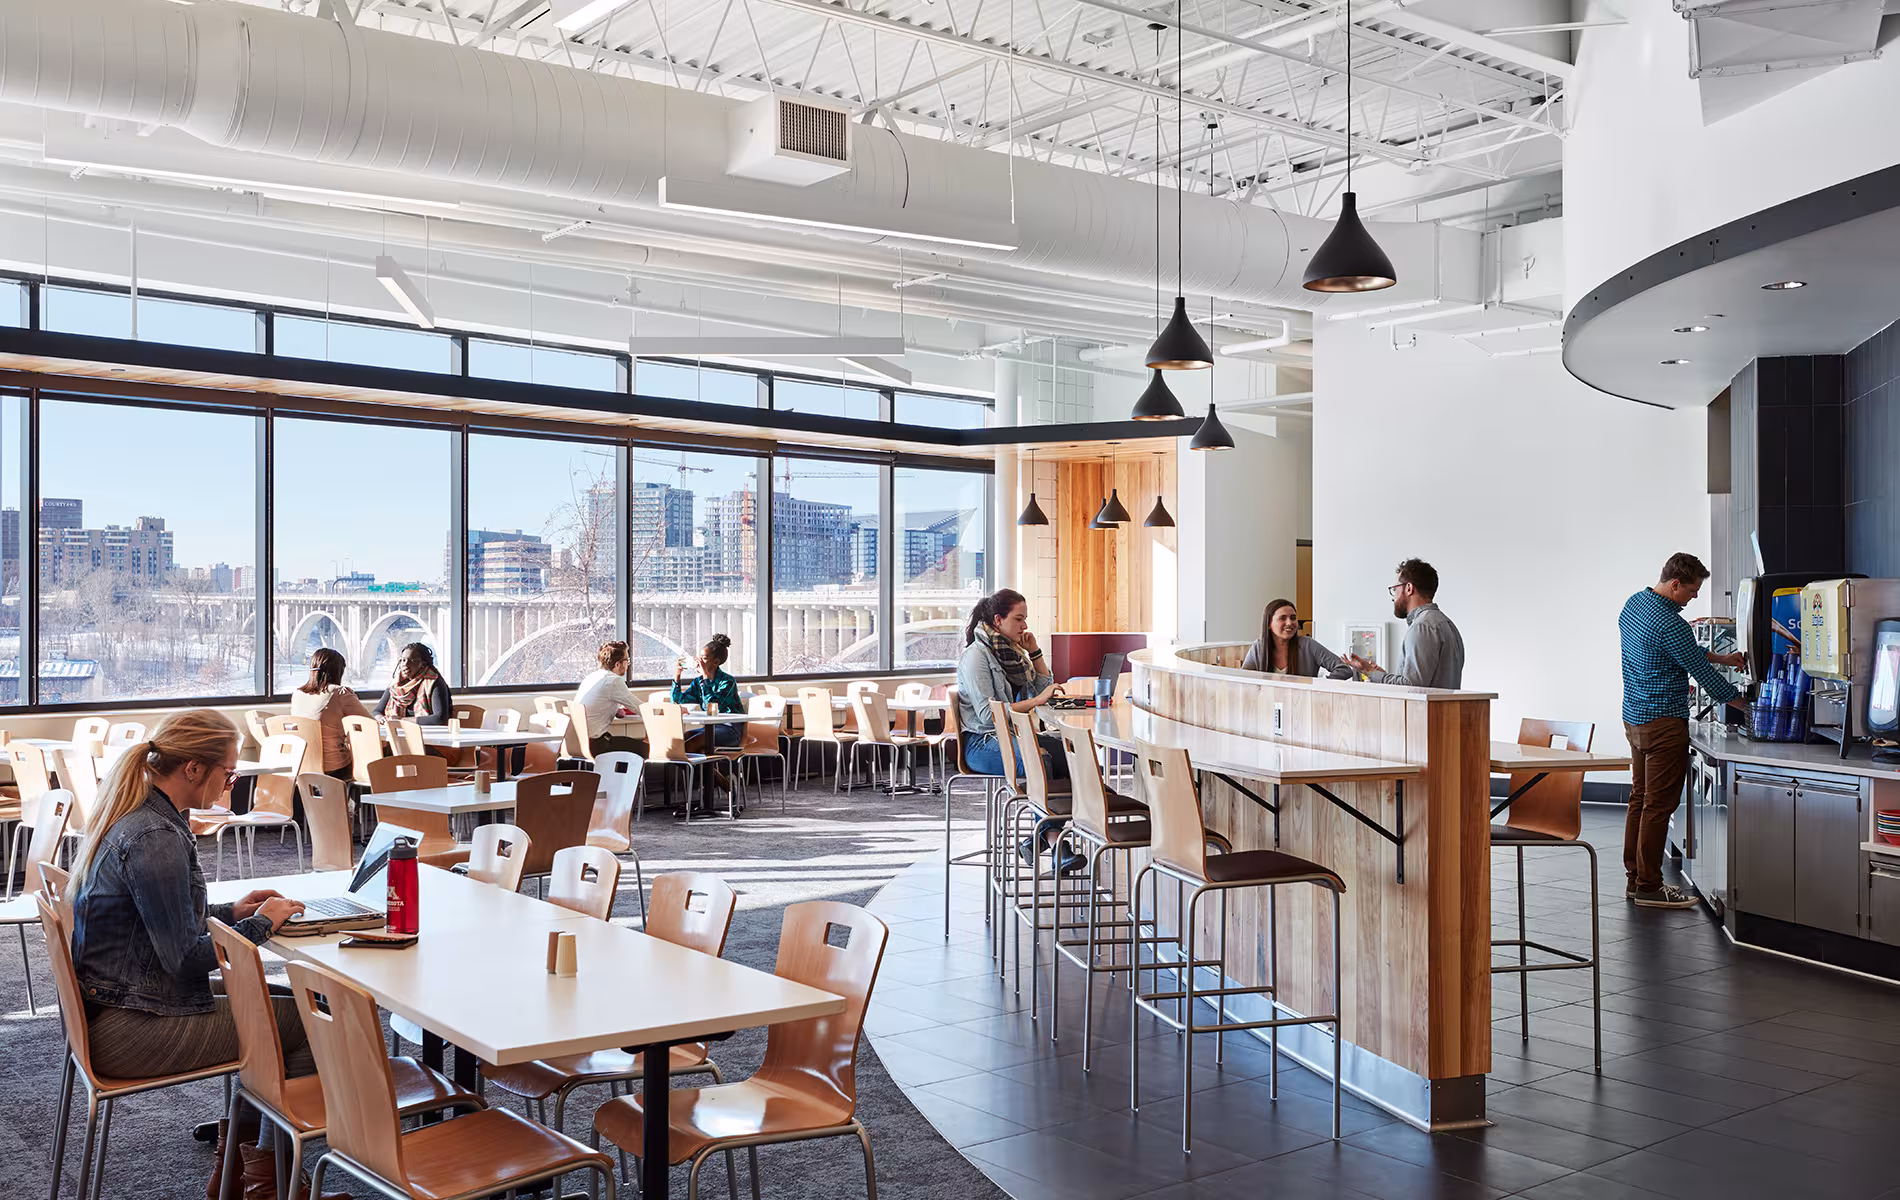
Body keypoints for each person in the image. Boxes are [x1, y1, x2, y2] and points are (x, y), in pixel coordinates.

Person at [67, 710, 310, 1081]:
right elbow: (184, 959)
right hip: (126, 1028)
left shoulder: (143, 813)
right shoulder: (155, 837)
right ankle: (274, 1120)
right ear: (193, 769)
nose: (230, 785)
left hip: (121, 1001)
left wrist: (233, 912)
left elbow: (162, 917)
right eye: (228, 774)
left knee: (299, 1000)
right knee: (314, 1020)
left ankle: (257, 1117)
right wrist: (261, 925)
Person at [1619, 552, 1745, 909]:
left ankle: (1635, 879)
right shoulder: (1671, 624)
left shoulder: (1635, 604)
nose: (1694, 596)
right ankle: (1650, 886)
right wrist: (1748, 709)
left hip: (1635, 718)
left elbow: (1680, 651)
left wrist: (1723, 658)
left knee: (1640, 799)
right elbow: (1705, 678)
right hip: (1663, 725)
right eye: (1692, 590)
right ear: (1675, 584)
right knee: (1658, 807)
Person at [955, 588, 1077, 873]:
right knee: (1041, 760)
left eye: (1025, 619)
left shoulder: (1011, 654)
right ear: (998, 620)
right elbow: (989, 716)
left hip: (1011, 736)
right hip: (981, 742)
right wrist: (1035, 702)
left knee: (1068, 753)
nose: (1024, 626)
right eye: (1018, 619)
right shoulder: (976, 657)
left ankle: (1037, 839)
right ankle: (1056, 842)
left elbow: (1041, 688)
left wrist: (1034, 652)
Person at [1345, 558, 1465, 689]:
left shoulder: (1421, 626)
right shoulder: (1447, 624)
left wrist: (1371, 672)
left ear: (1409, 588)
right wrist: (1379, 674)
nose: (1393, 597)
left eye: (1395, 589)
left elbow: (1411, 687)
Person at [288, 647, 371, 779]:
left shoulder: (297, 695)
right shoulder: (340, 693)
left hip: (302, 765)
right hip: (334, 767)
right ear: (338, 671)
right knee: (379, 759)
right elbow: (370, 725)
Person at [1240, 598, 1354, 677]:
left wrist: (1319, 687)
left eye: (1293, 618)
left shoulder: (1308, 645)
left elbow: (1344, 669)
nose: (1289, 623)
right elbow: (1244, 679)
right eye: (1282, 618)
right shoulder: (1258, 648)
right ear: (1269, 624)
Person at [672, 633, 744, 752]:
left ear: (716, 662)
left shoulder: (727, 681)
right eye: (699, 658)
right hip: (711, 727)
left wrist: (705, 676)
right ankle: (692, 765)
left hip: (730, 729)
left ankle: (694, 765)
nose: (699, 662)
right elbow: (677, 700)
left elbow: (713, 707)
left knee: (693, 742)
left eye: (704, 658)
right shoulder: (698, 682)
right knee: (683, 738)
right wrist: (677, 675)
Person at [577, 640, 649, 757]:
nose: (628, 664)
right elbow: (641, 709)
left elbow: (598, 703)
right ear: (617, 664)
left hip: (579, 743)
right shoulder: (613, 681)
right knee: (648, 750)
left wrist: (615, 710)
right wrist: (666, 711)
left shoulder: (591, 677)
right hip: (596, 745)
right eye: (627, 660)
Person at [377, 641, 452, 725]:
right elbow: (377, 711)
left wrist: (401, 720)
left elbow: (439, 718)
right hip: (398, 730)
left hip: (427, 731)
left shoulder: (434, 682)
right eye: (403, 660)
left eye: (413, 660)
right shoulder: (396, 684)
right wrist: (381, 718)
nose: (405, 664)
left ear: (423, 664)